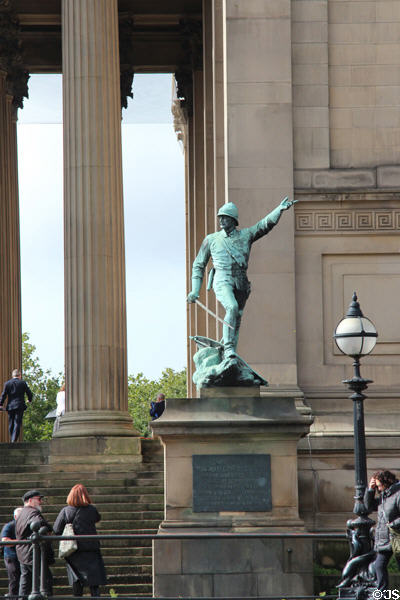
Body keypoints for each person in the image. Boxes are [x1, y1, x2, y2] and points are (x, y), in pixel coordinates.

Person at [187, 197, 297, 359]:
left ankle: (227, 350)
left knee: (236, 318)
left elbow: (264, 225)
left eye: (225, 217)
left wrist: (279, 210)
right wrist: (195, 290)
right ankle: (229, 348)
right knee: (231, 307)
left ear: (233, 220)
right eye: (220, 217)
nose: (221, 220)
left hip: (241, 282)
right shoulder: (211, 240)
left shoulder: (246, 235)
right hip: (222, 278)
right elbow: (198, 265)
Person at [53, 484, 107, 597]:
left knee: (77, 583)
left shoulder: (66, 511)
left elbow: (56, 529)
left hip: (74, 551)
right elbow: (97, 518)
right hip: (91, 550)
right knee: (94, 583)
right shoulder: (92, 509)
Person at [364, 470, 400, 591]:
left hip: (396, 538)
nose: (378, 489)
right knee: (379, 566)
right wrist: (370, 490)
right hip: (384, 540)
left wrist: (393, 524)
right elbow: (368, 507)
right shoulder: (383, 496)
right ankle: (382, 596)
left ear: (387, 483)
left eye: (379, 486)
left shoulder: (398, 494)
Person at [16, 490, 54, 599]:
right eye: (38, 499)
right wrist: (48, 529)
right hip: (32, 552)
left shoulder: (22, 512)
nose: (41, 502)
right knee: (45, 581)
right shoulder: (32, 512)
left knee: (25, 582)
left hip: (23, 553)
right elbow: (39, 525)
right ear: (30, 500)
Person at [0, 369, 33, 442]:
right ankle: (14, 440)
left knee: (11, 423)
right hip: (19, 405)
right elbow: (29, 393)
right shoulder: (23, 383)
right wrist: (29, 400)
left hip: (10, 406)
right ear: (20, 375)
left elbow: (3, 395)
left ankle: (12, 437)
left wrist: (1, 404)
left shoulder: (7, 383)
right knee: (17, 422)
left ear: (12, 376)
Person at [1, 507, 23, 598]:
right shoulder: (9, 526)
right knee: (14, 578)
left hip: (22, 555)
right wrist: (20, 541)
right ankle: (12, 596)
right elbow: (5, 540)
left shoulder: (24, 525)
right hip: (11, 556)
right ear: (15, 516)